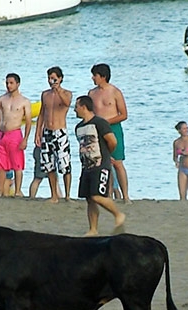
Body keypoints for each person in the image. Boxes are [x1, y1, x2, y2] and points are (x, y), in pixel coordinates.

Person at [73, 95, 125, 236]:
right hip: (86, 166)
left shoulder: (99, 123)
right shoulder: (79, 127)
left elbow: (112, 141)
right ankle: (93, 229)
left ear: (84, 107)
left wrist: (106, 155)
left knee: (97, 196)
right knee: (89, 199)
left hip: (100, 164)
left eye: (76, 107)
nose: (74, 110)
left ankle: (118, 214)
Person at [89, 63, 131, 204]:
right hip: (97, 131)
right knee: (103, 163)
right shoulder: (92, 93)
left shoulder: (115, 92)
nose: (93, 78)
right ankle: (108, 194)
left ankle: (125, 196)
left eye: (95, 75)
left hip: (113, 128)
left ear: (103, 76)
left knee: (117, 163)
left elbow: (123, 114)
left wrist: (106, 122)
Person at [0, 73, 32, 198]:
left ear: (18, 84)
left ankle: (17, 191)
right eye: (7, 83)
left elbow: (28, 121)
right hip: (2, 134)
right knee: (1, 165)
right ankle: (1, 191)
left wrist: (25, 139)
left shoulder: (24, 101)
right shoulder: (3, 99)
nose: (9, 85)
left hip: (15, 133)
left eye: (11, 83)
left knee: (17, 165)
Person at [34, 66, 73, 202]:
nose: (51, 81)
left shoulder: (67, 93)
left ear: (60, 79)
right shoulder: (45, 94)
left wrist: (58, 90)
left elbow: (67, 103)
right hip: (47, 132)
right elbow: (41, 114)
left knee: (65, 165)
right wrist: (37, 133)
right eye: (49, 78)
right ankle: (54, 195)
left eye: (54, 78)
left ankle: (67, 195)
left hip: (60, 131)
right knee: (49, 165)